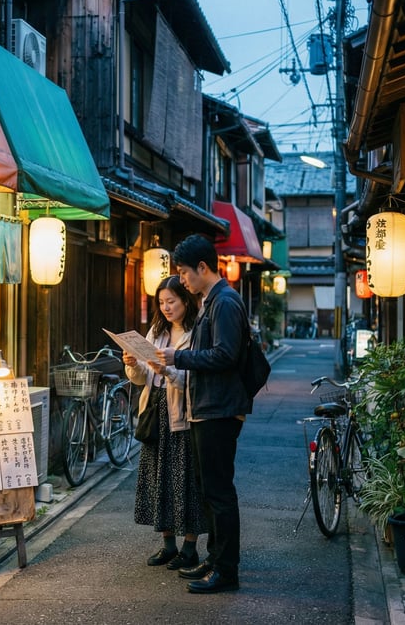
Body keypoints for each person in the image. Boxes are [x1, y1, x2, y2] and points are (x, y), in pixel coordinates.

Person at [156, 234, 252, 594]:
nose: (181, 280)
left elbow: (225, 355)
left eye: (184, 272)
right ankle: (215, 559)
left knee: (220, 492)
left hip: (218, 410)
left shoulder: (225, 302)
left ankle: (226, 570)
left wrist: (177, 357)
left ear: (202, 267)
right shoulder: (212, 301)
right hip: (206, 408)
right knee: (209, 491)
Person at [123, 275, 206, 571]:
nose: (166, 307)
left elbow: (195, 379)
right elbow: (142, 378)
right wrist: (133, 365)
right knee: (158, 477)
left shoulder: (197, 332)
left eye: (171, 301)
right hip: (154, 411)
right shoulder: (156, 330)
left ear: (186, 300)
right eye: (161, 302)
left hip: (182, 416)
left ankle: (190, 547)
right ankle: (168, 544)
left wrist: (168, 369)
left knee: (186, 480)